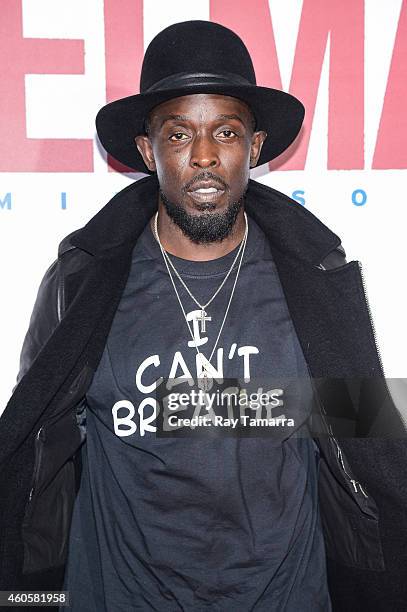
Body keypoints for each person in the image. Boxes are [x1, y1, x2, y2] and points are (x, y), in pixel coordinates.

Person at [0, 19, 406, 612]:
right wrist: (26, 597)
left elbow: (370, 447)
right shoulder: (81, 287)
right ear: (147, 150)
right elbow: (33, 454)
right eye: (179, 134)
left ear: (255, 146)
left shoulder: (316, 280)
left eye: (227, 131)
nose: (206, 156)